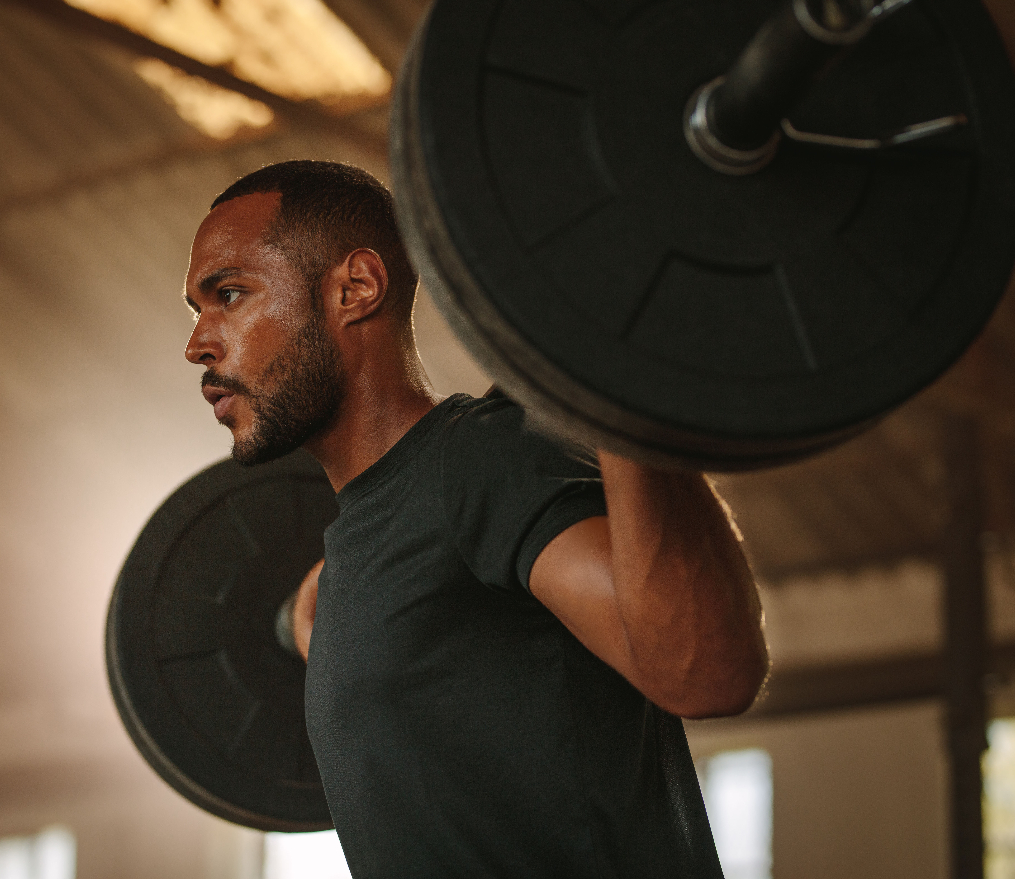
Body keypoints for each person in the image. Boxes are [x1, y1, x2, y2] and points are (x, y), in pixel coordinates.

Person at [183, 160, 768, 878]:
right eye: (196, 311)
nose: (198, 344)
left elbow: (705, 669)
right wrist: (322, 609)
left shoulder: (484, 461)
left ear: (355, 288)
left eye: (229, 295)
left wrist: (615, 375)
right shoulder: (358, 555)